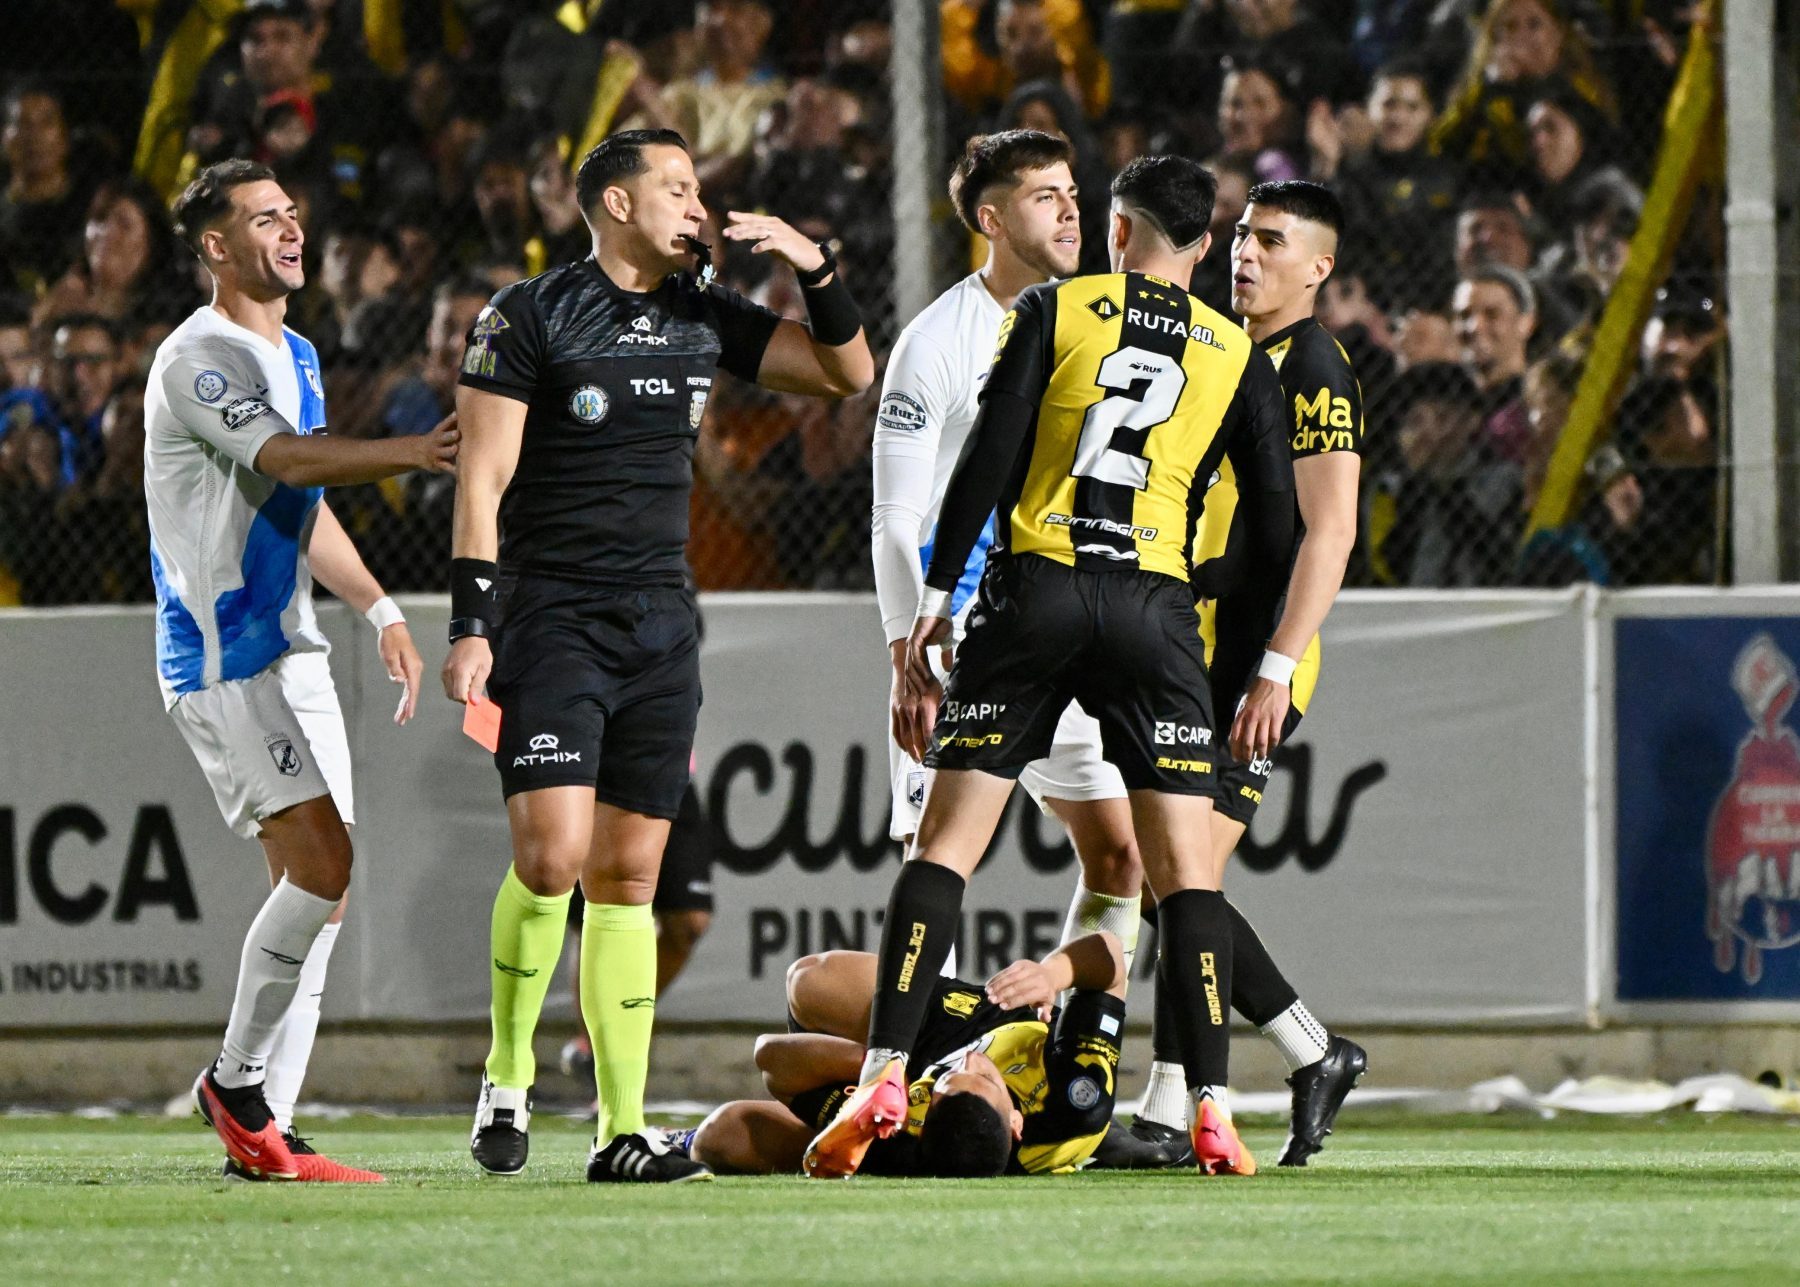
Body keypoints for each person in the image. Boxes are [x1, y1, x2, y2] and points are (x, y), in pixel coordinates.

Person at [807, 155, 1296, 1180]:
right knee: (1183, 875)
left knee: (944, 852)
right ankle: (1211, 1105)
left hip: (1035, 592)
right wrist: (1249, 654)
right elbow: (1275, 533)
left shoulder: (1057, 309)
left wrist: (939, 597)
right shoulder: (1237, 353)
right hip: (1156, 607)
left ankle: (886, 1073)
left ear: (1118, 234)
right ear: (1205, 246)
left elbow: (989, 456)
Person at [441, 127, 873, 1185]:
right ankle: (507, 1073)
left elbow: (846, 373)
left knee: (629, 879)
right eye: (676, 187)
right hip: (553, 618)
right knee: (551, 858)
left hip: (662, 626)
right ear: (618, 205)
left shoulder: (702, 314)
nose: (698, 204)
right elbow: (482, 480)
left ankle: (619, 1131)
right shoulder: (528, 315)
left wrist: (813, 268)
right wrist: (469, 624)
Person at [150, 159, 458, 1182]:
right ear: (214, 246)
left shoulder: (303, 351)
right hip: (225, 659)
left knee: (318, 895)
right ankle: (236, 1090)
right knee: (322, 869)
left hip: (295, 650)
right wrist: (416, 451)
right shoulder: (196, 360)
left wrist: (377, 608)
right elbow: (285, 460)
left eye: (292, 212)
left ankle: (268, 1126)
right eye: (264, 218)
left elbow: (302, 506)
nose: (290, 230)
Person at [871, 128, 1144, 1056]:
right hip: (965, 646)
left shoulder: (1101, 318)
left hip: (1071, 629)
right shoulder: (936, 345)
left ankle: (1078, 1062)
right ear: (991, 220)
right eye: (1044, 195)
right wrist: (911, 651)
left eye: (1074, 190)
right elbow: (894, 515)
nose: (1071, 208)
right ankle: (897, 1073)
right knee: (940, 859)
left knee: (1124, 857)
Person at [1124, 180, 1369, 1170]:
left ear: (1319, 268)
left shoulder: (1311, 367)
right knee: (1175, 882)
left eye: (1274, 242)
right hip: (1199, 651)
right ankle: (1186, 1097)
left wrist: (1273, 669)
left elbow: (1333, 528)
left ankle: (1290, 1057)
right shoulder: (1236, 353)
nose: (1247, 254)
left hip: (1249, 661)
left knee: (1175, 879)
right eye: (1243, 237)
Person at [686, 933, 1126, 1177]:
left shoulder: (900, 1141)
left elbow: (771, 1059)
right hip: (996, 1018)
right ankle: (1150, 1129)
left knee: (720, 1137)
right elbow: (1109, 959)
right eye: (987, 1080)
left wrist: (885, 1070)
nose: (967, 1063)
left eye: (942, 1085)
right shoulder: (1075, 1101)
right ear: (1016, 1122)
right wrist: (1052, 973)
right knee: (807, 982)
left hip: (919, 1058)